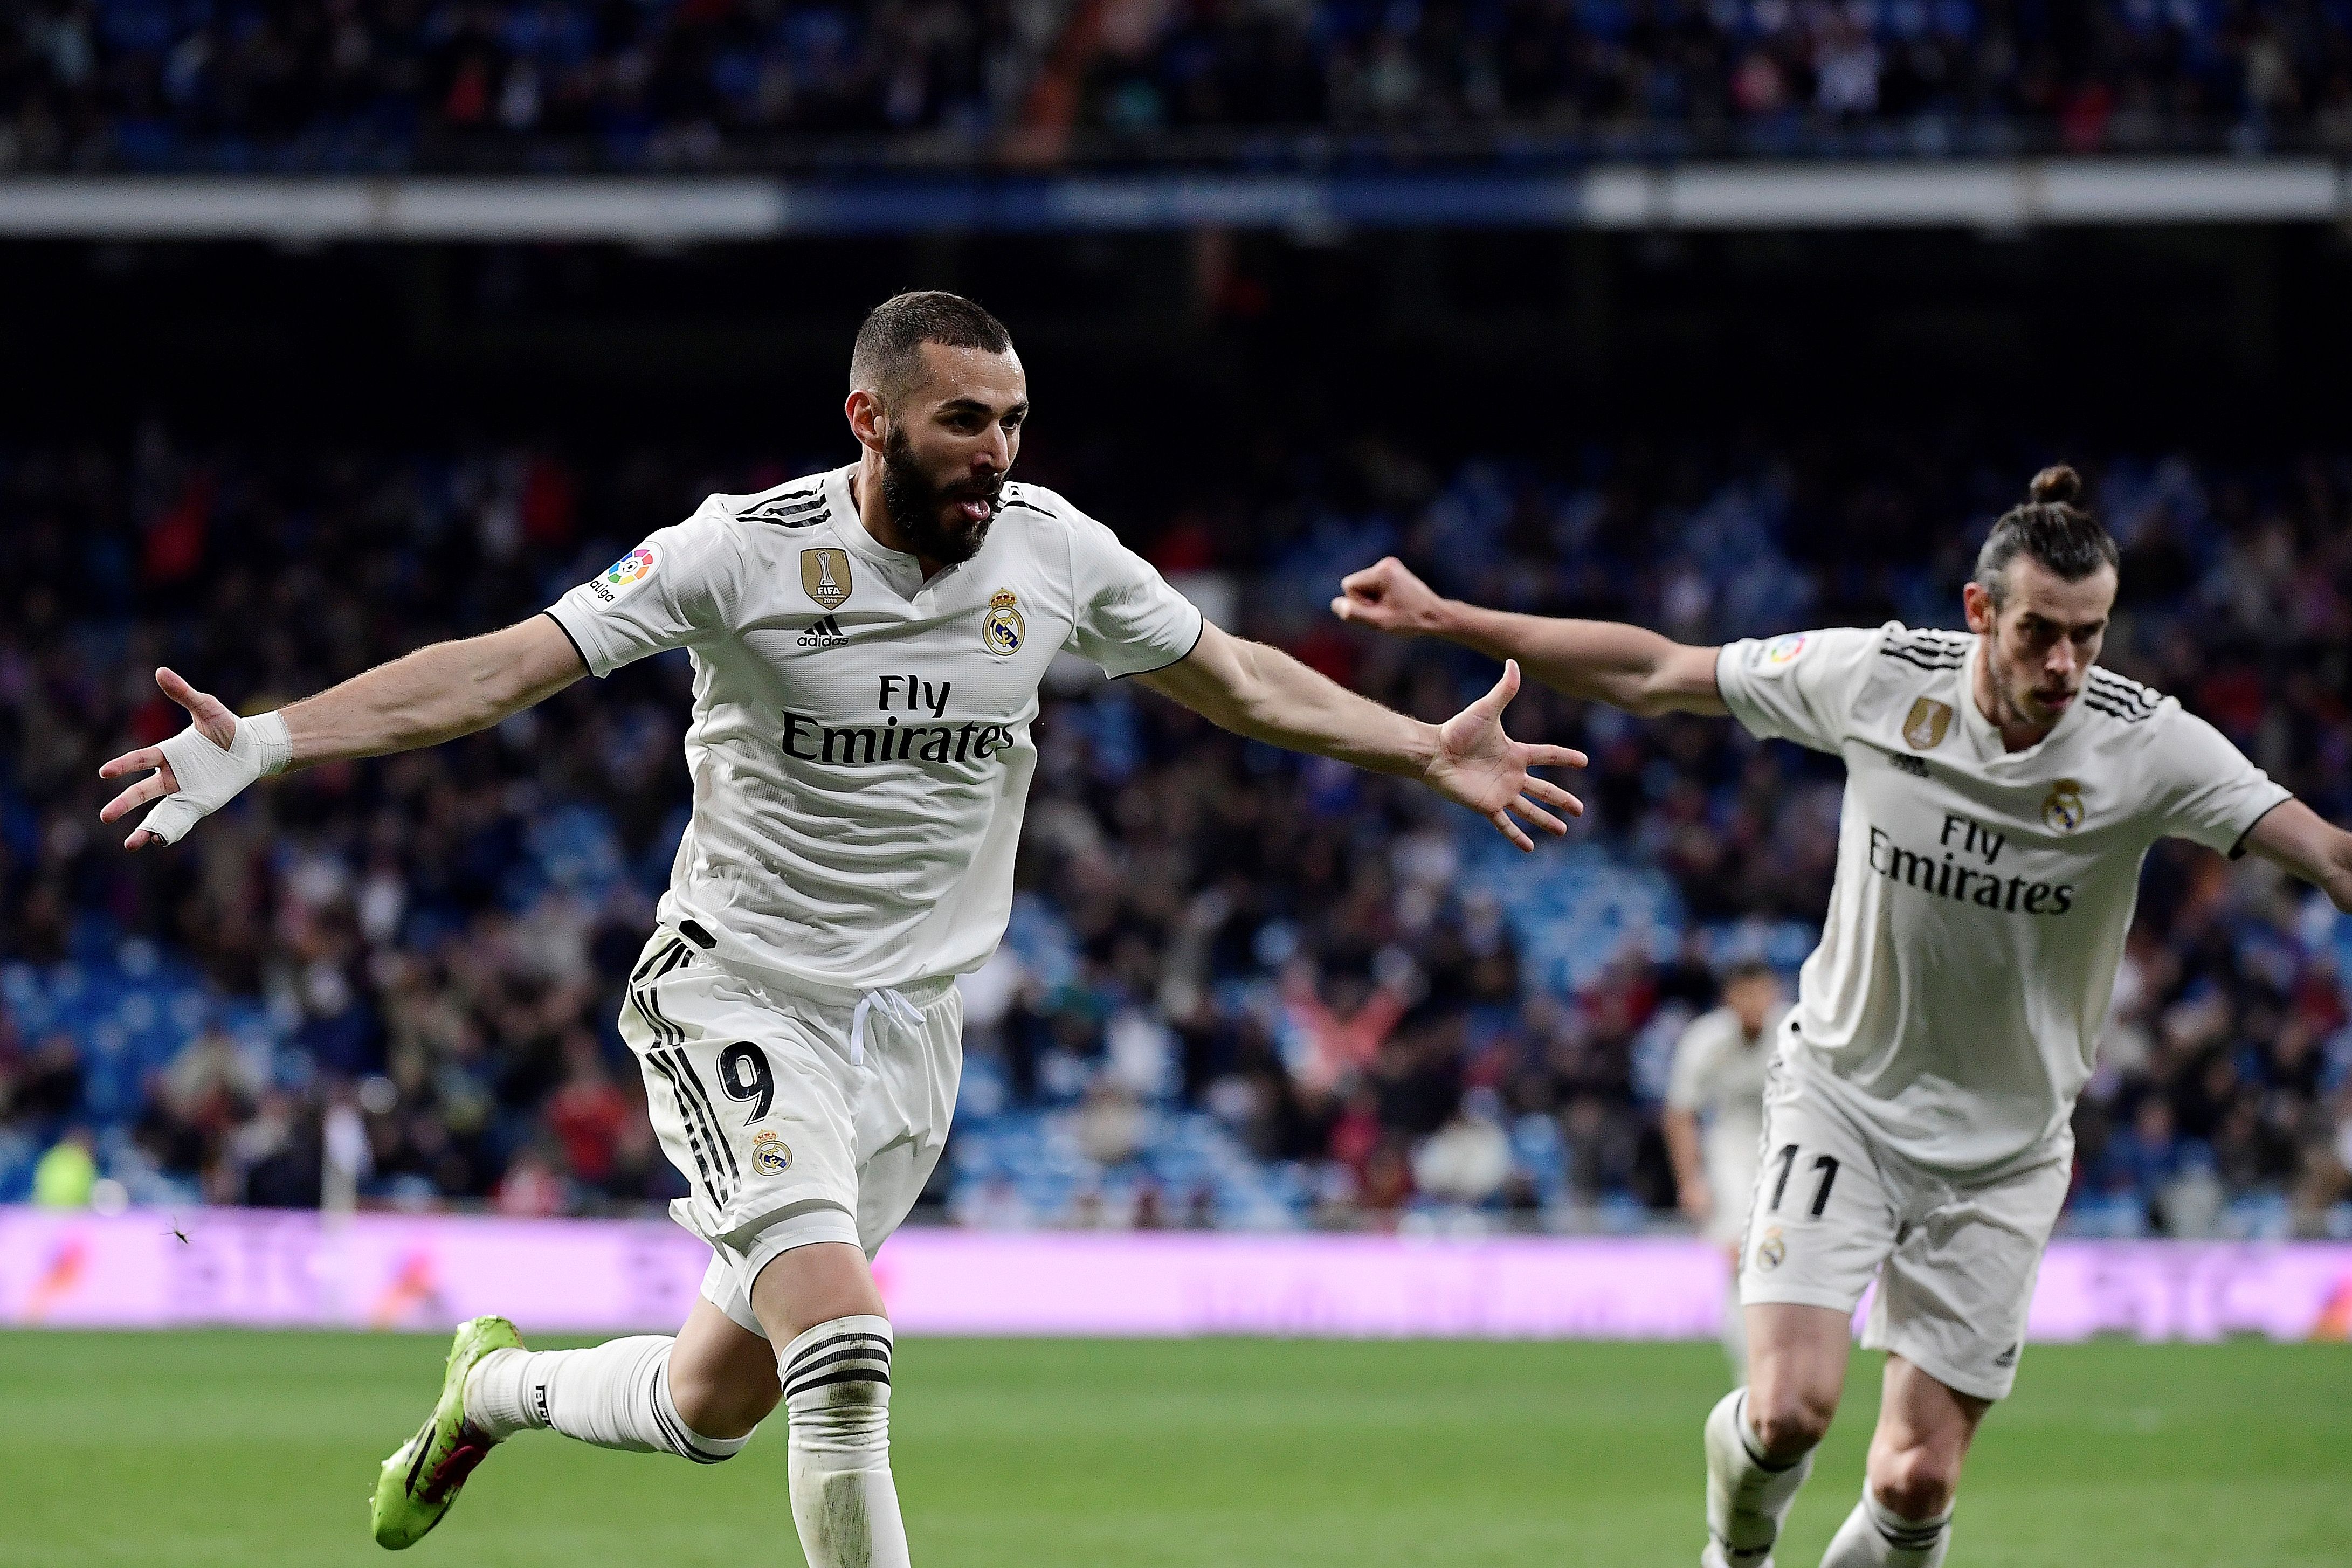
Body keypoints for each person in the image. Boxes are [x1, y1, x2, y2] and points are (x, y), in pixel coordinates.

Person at [98, 291, 1586, 1565]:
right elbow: (500, 668)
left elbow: (1242, 679)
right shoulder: (737, 552)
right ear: (870, 416)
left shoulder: (1056, 554)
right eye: (962, 423)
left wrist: (1417, 746)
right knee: (849, 1353)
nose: (996, 454)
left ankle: (491, 1391)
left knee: (710, 1407)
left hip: (907, 1040)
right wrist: (276, 740)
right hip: (737, 996)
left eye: (1011, 421)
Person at [1332, 465, 2352, 1568]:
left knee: (1916, 1480)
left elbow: (2329, 851)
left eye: (2090, 635)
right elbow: (1659, 669)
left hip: (2006, 1151)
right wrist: (1447, 615)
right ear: (1979, 612)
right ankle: (1736, 1552)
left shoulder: (2148, 743)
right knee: (1786, 1411)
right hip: (1845, 1105)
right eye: (2040, 632)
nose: (2065, 663)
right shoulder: (1876, 675)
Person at [1665, 958, 1788, 1378]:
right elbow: (1680, 1112)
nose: (1755, 1003)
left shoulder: (1795, 1033)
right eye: (1745, 993)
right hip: (1730, 1153)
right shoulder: (1705, 1039)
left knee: (1781, 1260)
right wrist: (1691, 1180)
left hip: (1787, 1152)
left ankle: (1777, 1358)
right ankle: (1750, 1365)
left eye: (1762, 992)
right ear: (1729, 998)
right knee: (1739, 1257)